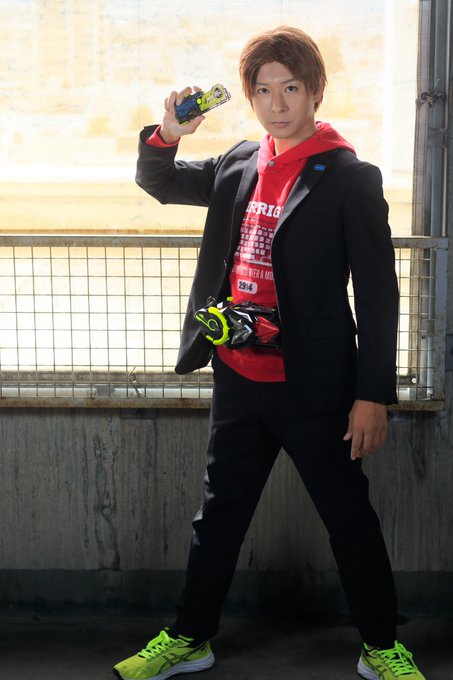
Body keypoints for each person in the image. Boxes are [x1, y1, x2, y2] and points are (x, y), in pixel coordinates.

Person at [114, 26, 426, 680]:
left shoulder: (348, 177)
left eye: (290, 88)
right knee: (218, 517)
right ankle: (190, 637)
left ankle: (380, 646)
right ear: (249, 95)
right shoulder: (239, 161)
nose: (276, 103)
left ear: (315, 92)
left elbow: (377, 296)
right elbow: (159, 182)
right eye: (262, 90)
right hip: (237, 376)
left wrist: (372, 395)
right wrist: (168, 132)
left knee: (349, 519)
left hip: (315, 386)